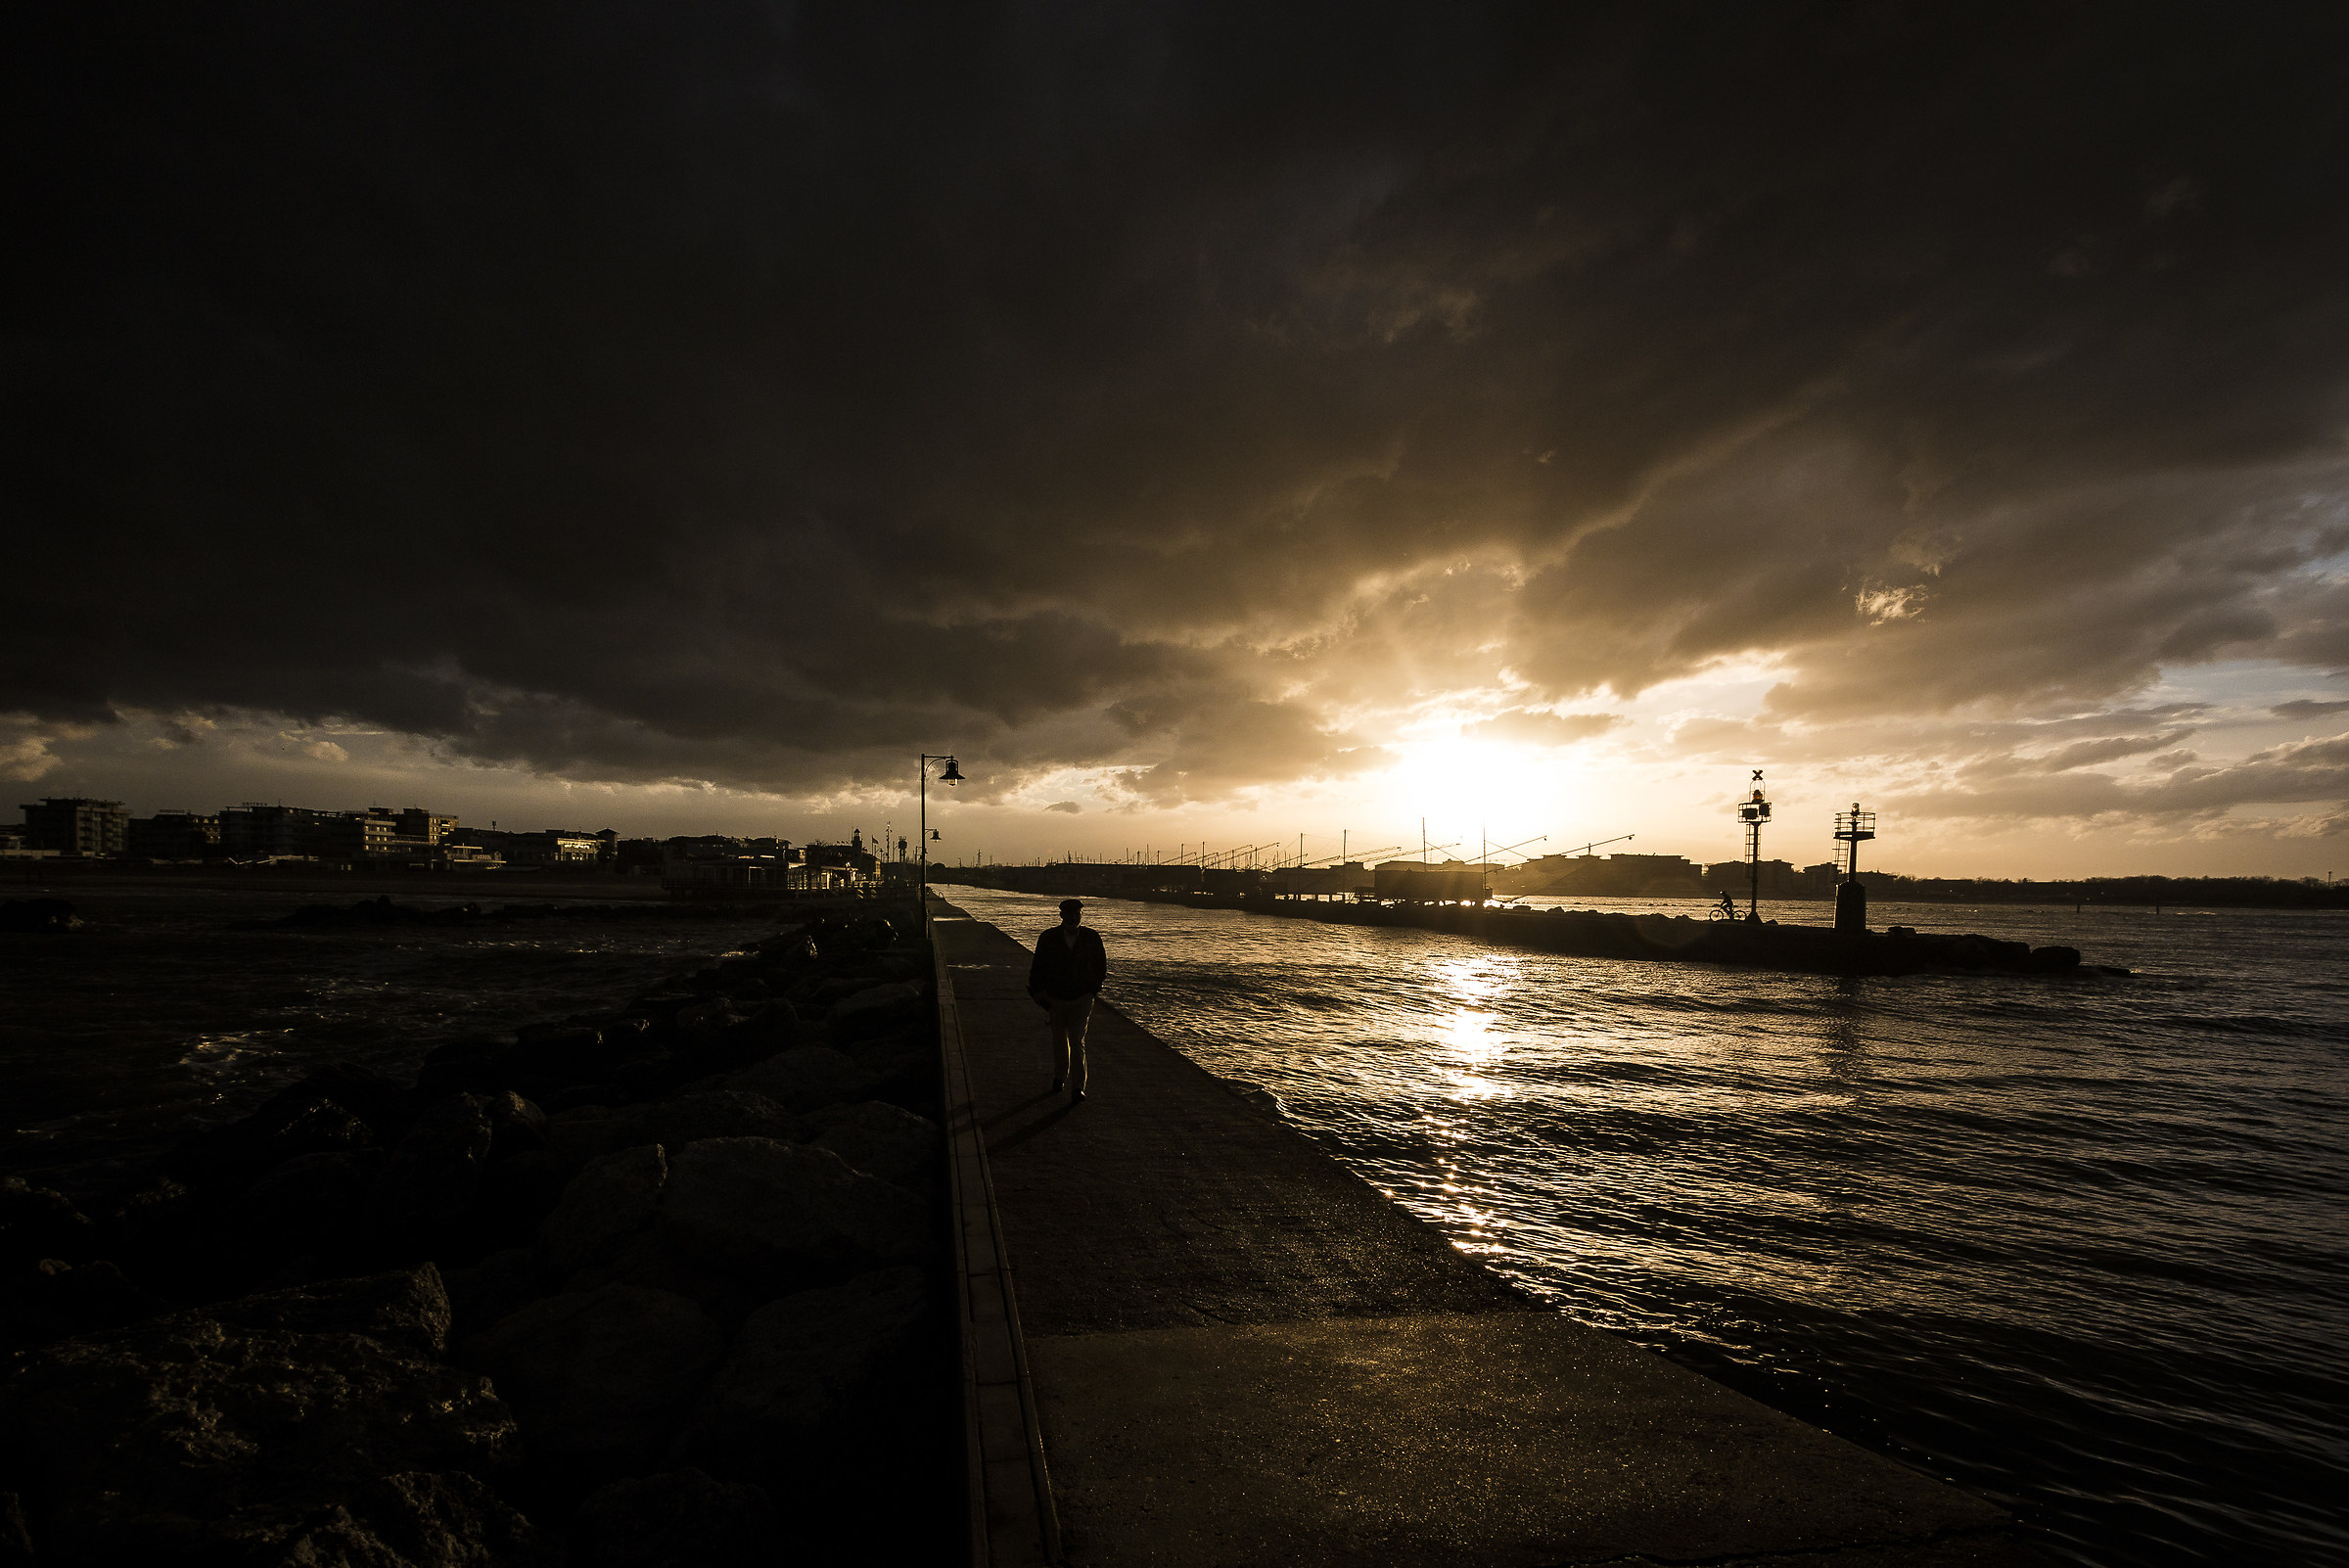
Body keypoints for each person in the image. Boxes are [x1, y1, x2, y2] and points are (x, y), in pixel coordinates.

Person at [1028, 899, 1107, 1101]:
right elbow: (1038, 967)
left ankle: (1077, 1086)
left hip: (1082, 998)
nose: (1073, 917)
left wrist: (1093, 990)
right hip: (1056, 997)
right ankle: (1060, 1076)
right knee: (1059, 1040)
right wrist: (1038, 992)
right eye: (1069, 914)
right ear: (1061, 915)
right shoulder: (1047, 938)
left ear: (1082, 915)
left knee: (1076, 1040)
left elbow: (1101, 967)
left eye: (1077, 913)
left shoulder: (1092, 937)